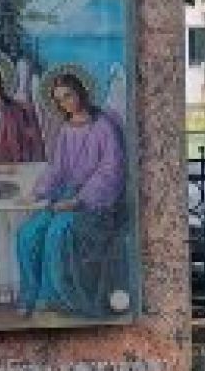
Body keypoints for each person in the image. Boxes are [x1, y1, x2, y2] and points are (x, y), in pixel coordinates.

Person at [16, 71, 129, 317]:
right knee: (27, 233)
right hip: (65, 196)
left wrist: (78, 200)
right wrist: (38, 193)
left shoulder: (104, 127)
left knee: (57, 233)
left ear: (80, 93)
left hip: (94, 202)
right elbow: (58, 168)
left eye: (68, 96)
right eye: (59, 99)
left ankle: (52, 297)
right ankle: (29, 296)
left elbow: (111, 172)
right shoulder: (67, 129)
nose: (65, 103)